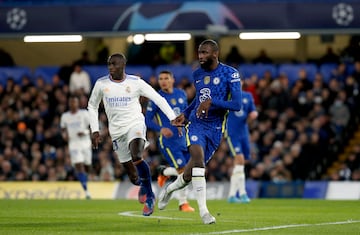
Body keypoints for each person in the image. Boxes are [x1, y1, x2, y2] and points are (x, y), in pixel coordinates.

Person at [158, 39, 242, 224]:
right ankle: (204, 212)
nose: (201, 56)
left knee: (188, 175)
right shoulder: (197, 74)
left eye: (204, 53)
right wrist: (185, 114)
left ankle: (170, 189)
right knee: (198, 162)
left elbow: (236, 104)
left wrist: (213, 102)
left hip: (215, 129)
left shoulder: (230, 74)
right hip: (196, 125)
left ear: (215, 53)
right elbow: (198, 100)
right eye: (199, 52)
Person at [87, 53, 177, 216]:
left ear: (123, 65)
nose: (110, 67)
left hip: (135, 124)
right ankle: (143, 183)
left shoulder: (136, 82)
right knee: (133, 175)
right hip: (116, 132)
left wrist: (172, 118)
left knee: (136, 155)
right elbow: (92, 106)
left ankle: (150, 197)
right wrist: (94, 129)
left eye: (114, 64)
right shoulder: (101, 84)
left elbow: (158, 98)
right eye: (109, 64)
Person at [145, 70, 195, 212]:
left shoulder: (181, 94)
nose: (163, 81)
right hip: (168, 141)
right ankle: (183, 203)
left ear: (173, 79)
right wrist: (161, 129)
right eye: (160, 79)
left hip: (183, 139)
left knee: (188, 171)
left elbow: (185, 114)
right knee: (183, 171)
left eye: (166, 78)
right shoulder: (156, 98)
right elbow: (147, 120)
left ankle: (164, 172)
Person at [225, 89, 258, 203]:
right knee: (240, 160)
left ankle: (232, 195)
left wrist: (253, 115)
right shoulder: (227, 96)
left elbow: (252, 111)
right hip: (232, 134)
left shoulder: (248, 96)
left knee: (239, 164)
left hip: (244, 133)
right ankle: (243, 193)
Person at [60, 95, 92, 199]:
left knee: (87, 165)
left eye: (75, 102)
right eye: (71, 102)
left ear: (78, 103)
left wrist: (85, 132)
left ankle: (85, 180)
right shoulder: (65, 116)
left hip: (85, 142)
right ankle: (86, 191)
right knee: (79, 165)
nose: (73, 104)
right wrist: (64, 136)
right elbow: (63, 129)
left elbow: (92, 127)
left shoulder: (84, 114)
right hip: (73, 143)